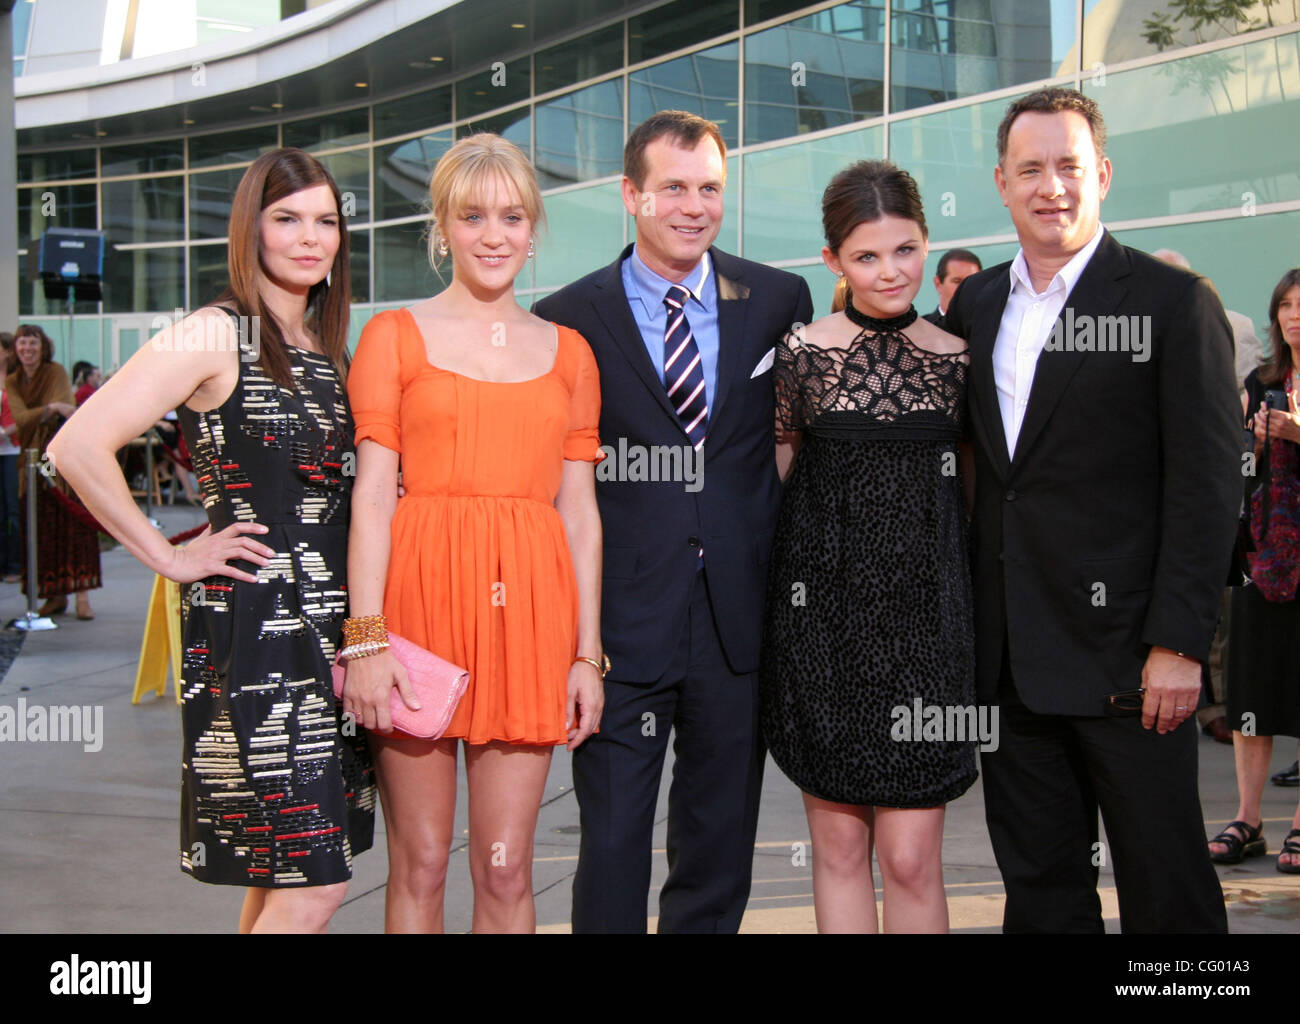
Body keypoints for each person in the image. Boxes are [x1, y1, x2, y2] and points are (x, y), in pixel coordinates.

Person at [49, 147, 376, 933]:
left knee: (276, 870)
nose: (310, 238)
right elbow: (75, 447)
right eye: (287, 219)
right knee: (313, 882)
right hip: (259, 631)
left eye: (326, 221)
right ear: (250, 231)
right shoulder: (212, 334)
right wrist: (166, 555)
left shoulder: (329, 348)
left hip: (334, 634)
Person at [944, 87, 1241, 933]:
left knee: (1166, 883)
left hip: (1131, 667)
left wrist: (1179, 644)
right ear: (1001, 182)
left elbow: (1208, 484)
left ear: (1102, 174)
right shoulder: (978, 304)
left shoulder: (1172, 303)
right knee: (1040, 888)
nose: (1052, 187)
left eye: (1069, 166)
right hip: (1010, 665)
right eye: (1030, 169)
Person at [535, 110, 814, 933]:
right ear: (631, 195)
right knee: (614, 839)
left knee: (718, 839)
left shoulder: (775, 298)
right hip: (621, 621)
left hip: (738, 617)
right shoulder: (568, 317)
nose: (694, 207)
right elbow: (561, 481)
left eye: (710, 189)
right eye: (673, 189)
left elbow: (788, 440)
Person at [344, 133, 604, 934]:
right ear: (442, 227)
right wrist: (365, 641)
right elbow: (373, 503)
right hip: (415, 620)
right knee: (419, 863)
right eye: (473, 216)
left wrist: (587, 654)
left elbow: (580, 514)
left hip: (528, 622)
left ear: (533, 229)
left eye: (513, 216)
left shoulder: (571, 354)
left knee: (507, 868)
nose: (494, 235)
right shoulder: (393, 335)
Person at [761, 161, 975, 933]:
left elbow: (971, 500)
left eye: (906, 250)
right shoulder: (803, 355)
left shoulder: (956, 359)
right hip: (824, 634)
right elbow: (781, 487)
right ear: (833, 263)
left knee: (913, 859)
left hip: (928, 635)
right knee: (841, 852)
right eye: (866, 256)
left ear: (926, 244)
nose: (890, 271)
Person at [1207, 268, 1300, 874]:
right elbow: (1234, 464)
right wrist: (1258, 446)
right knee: (1250, 686)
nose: (1294, 316)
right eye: (1285, 306)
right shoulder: (1262, 382)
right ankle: (1247, 818)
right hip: (1266, 556)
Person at [7, 324, 100, 619]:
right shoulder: (13, 381)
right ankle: (54, 595)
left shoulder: (56, 371)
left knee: (74, 523)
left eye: (32, 343)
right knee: (41, 530)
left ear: (42, 346)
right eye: (22, 343)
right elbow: (20, 420)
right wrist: (51, 408)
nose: (27, 349)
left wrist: (53, 409)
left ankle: (82, 596)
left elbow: (68, 407)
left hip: (61, 458)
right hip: (31, 462)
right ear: (16, 349)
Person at [0, 332, 22, 582]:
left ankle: (15, 565)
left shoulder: (15, 381)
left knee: (13, 511)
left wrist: (7, 431)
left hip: (13, 450)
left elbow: (22, 414)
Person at [922, 248, 982, 330]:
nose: (965, 287)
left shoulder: (990, 326)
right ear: (938, 284)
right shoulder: (918, 329)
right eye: (957, 281)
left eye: (972, 281)